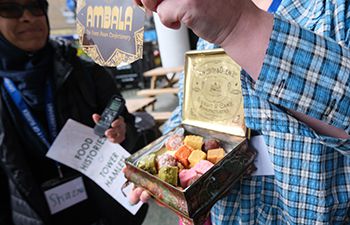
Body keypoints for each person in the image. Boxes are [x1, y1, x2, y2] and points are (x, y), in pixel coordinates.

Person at [129, 0, 350, 224]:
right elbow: (190, 111)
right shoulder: (203, 22)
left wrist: (239, 25)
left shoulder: (335, 11)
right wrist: (161, 168)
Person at [0, 0, 148, 225]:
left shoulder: (87, 72)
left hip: (104, 211)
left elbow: (127, 127)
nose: (27, 16)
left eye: (35, 6)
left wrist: (121, 132)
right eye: (10, 8)